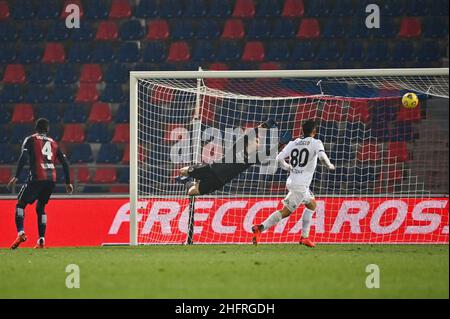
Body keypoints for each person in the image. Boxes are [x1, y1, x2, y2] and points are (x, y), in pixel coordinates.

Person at [252, 119, 335, 247]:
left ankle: (304, 237)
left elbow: (279, 158)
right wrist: (330, 166)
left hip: (293, 181)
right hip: (300, 186)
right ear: (314, 131)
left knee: (312, 204)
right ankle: (260, 228)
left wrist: (287, 167)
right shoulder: (316, 143)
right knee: (285, 212)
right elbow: (322, 157)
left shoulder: (294, 142)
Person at [176, 118, 289, 196]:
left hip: (219, 181)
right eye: (256, 140)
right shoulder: (239, 146)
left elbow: (269, 152)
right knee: (182, 171)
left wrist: (281, 143)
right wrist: (266, 124)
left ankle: (188, 182)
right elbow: (254, 132)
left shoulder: (252, 158)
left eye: (259, 142)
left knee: (191, 191)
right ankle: (188, 177)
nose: (257, 142)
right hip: (211, 169)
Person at [8, 118, 73, 249]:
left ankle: (21, 233)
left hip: (37, 177)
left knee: (20, 204)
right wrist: (68, 182)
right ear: (47, 130)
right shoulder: (54, 143)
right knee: (41, 208)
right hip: (51, 180)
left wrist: (16, 175)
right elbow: (65, 163)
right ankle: (41, 240)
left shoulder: (31, 139)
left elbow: (24, 157)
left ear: (36, 128)